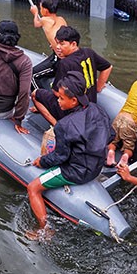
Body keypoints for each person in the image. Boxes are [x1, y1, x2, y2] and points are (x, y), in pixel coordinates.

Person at [27, 71, 114, 239]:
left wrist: (42, 161)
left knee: (33, 188)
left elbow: (60, 157)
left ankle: (44, 229)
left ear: (73, 100)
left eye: (60, 98)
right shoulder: (98, 110)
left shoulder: (64, 126)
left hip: (76, 172)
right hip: (96, 165)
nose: (58, 102)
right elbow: (110, 134)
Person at [32, 25, 112, 126]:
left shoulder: (65, 63)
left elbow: (57, 92)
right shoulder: (89, 52)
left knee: (35, 94)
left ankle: (56, 125)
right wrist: (98, 87)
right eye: (57, 43)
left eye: (62, 44)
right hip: (90, 105)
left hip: (70, 109)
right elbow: (107, 67)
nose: (57, 47)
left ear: (73, 44)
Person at [29, 0, 67, 90]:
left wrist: (35, 13)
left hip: (59, 60)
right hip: (59, 53)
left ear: (45, 10)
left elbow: (36, 24)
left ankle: (40, 95)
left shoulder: (45, 20)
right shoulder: (61, 19)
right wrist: (54, 44)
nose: (40, 9)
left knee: (31, 75)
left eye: (40, 8)